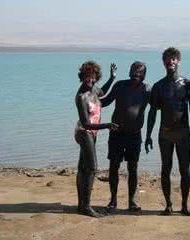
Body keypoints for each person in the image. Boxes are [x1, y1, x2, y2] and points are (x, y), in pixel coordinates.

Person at [145, 47, 190, 215]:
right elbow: (153, 112)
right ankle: (168, 205)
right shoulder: (159, 86)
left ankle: (184, 206)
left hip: (183, 133)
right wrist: (147, 135)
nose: (171, 62)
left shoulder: (187, 84)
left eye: (174, 59)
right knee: (165, 169)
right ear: (163, 63)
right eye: (168, 59)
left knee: (185, 170)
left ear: (179, 61)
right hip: (165, 133)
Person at [101, 61, 151, 212]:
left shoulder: (148, 90)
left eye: (140, 72)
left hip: (135, 135)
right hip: (116, 134)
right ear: (129, 72)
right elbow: (104, 102)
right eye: (133, 71)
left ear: (144, 75)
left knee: (133, 168)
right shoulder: (120, 86)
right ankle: (113, 200)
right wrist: (88, 96)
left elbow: (157, 108)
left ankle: (132, 201)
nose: (136, 74)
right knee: (114, 167)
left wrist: (149, 134)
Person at [75, 61, 118, 217]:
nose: (90, 80)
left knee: (83, 168)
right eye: (87, 77)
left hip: (92, 132)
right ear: (82, 76)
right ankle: (86, 207)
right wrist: (107, 125)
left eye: (93, 77)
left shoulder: (94, 89)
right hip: (84, 131)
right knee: (92, 168)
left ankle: (81, 205)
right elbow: (86, 124)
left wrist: (112, 79)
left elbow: (102, 92)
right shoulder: (81, 97)